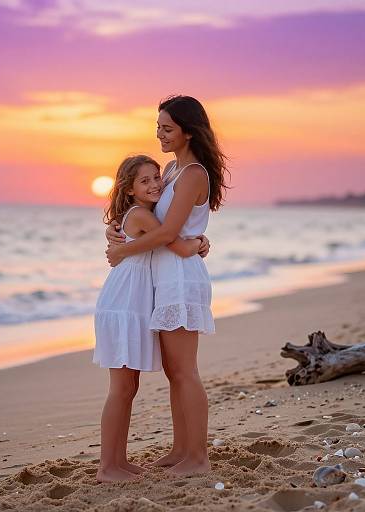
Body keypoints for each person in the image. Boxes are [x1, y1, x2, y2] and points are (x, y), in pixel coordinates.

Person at [106, 95, 229, 476]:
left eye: (167, 128)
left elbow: (170, 233)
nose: (159, 133)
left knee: (185, 371)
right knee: (176, 372)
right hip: (166, 278)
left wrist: (123, 252)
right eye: (157, 126)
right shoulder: (174, 170)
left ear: (188, 132)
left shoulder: (193, 174)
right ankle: (180, 449)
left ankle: (198, 458)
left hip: (181, 279)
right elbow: (151, 218)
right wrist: (120, 228)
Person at [94, 154, 209, 483]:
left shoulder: (137, 214)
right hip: (123, 304)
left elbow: (165, 239)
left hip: (131, 303)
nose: (155, 184)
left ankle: (118, 461)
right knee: (121, 388)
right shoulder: (143, 215)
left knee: (128, 386)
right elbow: (175, 244)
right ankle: (108, 467)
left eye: (156, 177)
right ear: (129, 190)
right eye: (145, 181)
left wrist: (197, 241)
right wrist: (199, 241)